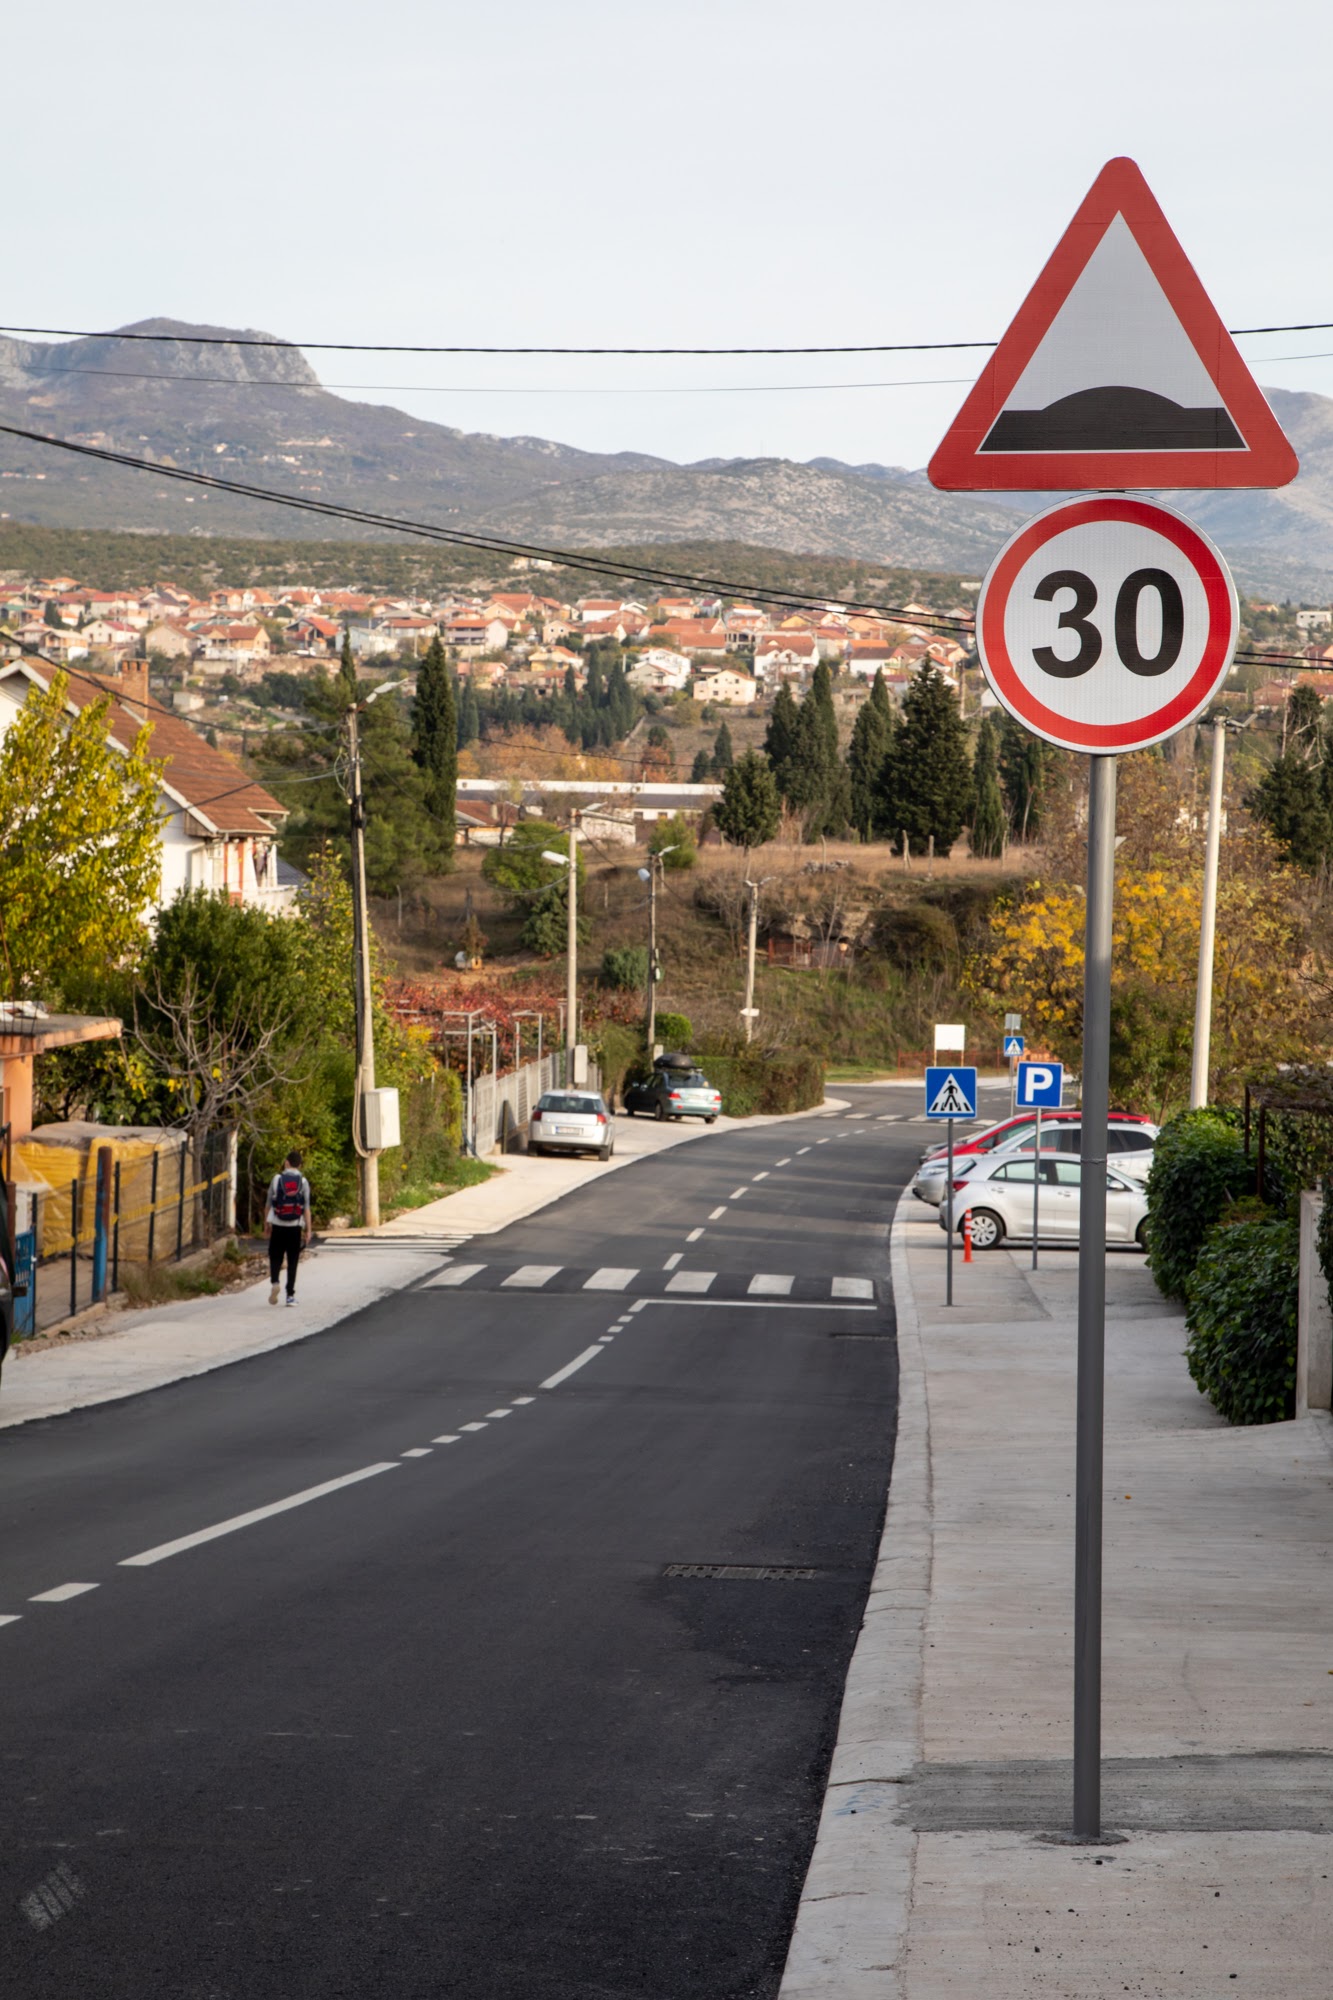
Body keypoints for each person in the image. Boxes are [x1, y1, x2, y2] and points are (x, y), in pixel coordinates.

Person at [265, 1150, 312, 1306]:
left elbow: (268, 1204)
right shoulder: (303, 1182)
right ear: (299, 1165)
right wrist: (308, 1230)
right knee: (293, 1260)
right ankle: (290, 1296)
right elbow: (306, 1208)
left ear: (286, 1163)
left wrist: (267, 1224)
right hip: (295, 1227)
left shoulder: (277, 1179)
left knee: (275, 1256)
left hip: (278, 1225)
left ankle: (275, 1283)